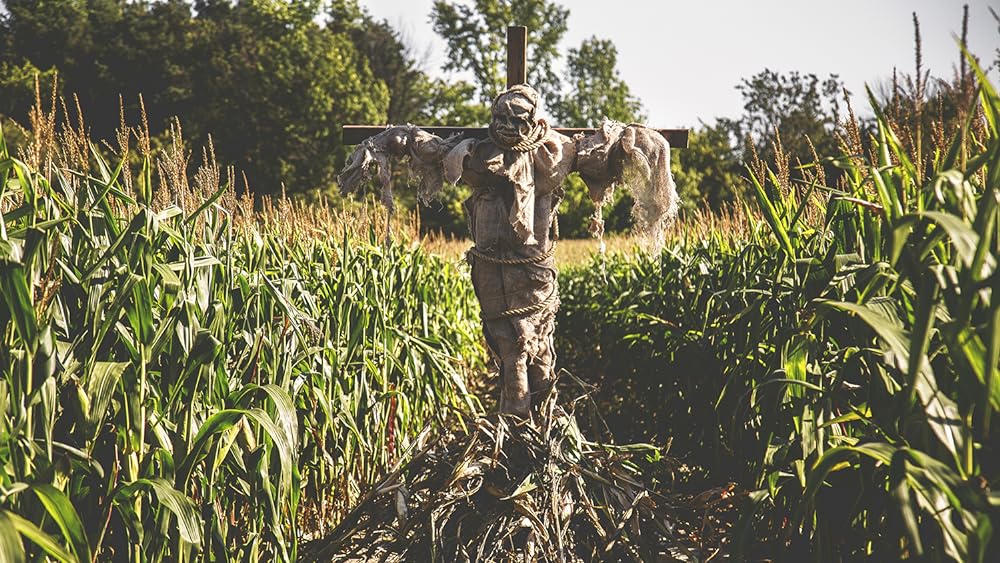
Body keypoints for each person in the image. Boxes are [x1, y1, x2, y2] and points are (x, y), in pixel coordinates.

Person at [339, 84, 677, 419]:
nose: (508, 127)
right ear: (491, 117)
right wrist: (387, 141)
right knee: (510, 348)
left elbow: (604, 151)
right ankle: (516, 427)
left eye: (519, 121)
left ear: (534, 121)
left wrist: (634, 140)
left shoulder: (556, 153)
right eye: (501, 118)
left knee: (538, 344)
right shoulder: (474, 155)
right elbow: (426, 146)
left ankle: (536, 426)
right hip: (491, 269)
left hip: (534, 269)